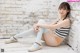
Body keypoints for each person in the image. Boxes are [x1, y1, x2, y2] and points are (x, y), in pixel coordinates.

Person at [5, 2, 71, 52]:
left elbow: (52, 27)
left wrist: (38, 25)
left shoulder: (67, 21)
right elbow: (49, 26)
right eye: (60, 8)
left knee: (41, 22)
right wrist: (36, 25)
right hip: (51, 38)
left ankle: (37, 44)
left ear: (68, 11)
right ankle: (14, 38)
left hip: (55, 41)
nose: (61, 11)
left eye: (64, 9)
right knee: (35, 29)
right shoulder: (59, 19)